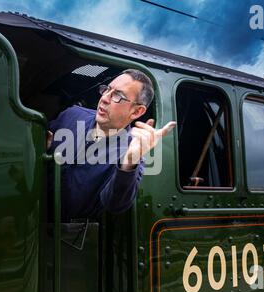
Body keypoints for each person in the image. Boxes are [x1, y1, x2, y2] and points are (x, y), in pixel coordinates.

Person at [47, 69, 176, 221]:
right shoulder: (71, 115)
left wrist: (129, 160)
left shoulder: (131, 156)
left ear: (136, 112)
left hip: (64, 237)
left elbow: (115, 204)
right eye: (107, 89)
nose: (105, 98)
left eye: (117, 96)